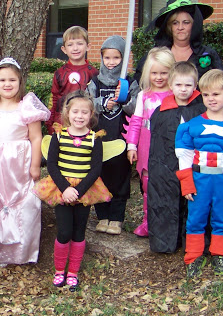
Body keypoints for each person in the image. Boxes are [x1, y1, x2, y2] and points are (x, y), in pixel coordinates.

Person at [175, 69, 223, 278]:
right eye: (206, 94)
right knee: (196, 218)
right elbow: (185, 156)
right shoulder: (191, 126)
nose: (211, 99)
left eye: (216, 94)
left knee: (222, 218)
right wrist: (187, 184)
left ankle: (219, 254)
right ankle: (193, 256)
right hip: (199, 179)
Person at [34, 91, 111, 291]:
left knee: (79, 231)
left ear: (91, 115)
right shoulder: (59, 136)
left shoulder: (95, 138)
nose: (79, 116)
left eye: (84, 112)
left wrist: (79, 190)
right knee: (64, 231)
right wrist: (65, 189)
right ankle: (60, 270)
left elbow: (96, 168)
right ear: (68, 113)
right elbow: (51, 165)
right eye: (75, 111)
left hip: (84, 191)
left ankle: (73, 272)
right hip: (61, 189)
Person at [0, 58, 50, 264]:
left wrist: (35, 164)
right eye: (2, 80)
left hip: (18, 165)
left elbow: (36, 137)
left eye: (12, 80)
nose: (7, 84)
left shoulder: (26, 106)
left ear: (20, 82)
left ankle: (20, 252)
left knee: (22, 203)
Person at [146, 61, 205, 253]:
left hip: (195, 166)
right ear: (171, 85)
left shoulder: (201, 110)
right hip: (165, 164)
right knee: (165, 200)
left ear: (195, 86)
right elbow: (156, 142)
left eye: (188, 85)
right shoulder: (161, 111)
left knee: (193, 202)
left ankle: (194, 244)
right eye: (179, 85)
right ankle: (165, 242)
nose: (183, 89)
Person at [87, 36, 137, 236]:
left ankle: (116, 218)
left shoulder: (129, 82)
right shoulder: (95, 82)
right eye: (107, 57)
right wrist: (102, 103)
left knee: (119, 177)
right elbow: (86, 105)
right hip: (98, 139)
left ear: (123, 59)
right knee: (100, 176)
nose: (111, 62)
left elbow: (137, 109)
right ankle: (103, 216)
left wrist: (124, 99)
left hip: (121, 138)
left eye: (116, 57)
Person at [134, 0, 222, 82]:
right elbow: (138, 83)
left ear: (194, 25)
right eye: (175, 23)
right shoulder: (157, 55)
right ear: (169, 26)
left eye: (186, 22)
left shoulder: (208, 55)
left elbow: (220, 85)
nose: (180, 27)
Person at [126, 47, 175, 236]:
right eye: (155, 73)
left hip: (168, 147)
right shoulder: (143, 95)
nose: (159, 77)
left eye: (164, 72)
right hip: (146, 146)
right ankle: (148, 222)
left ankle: (167, 224)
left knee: (168, 185)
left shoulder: (175, 94)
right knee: (147, 185)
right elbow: (136, 121)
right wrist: (132, 145)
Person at [48, 26, 98, 126]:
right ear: (64, 49)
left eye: (80, 44)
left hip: (84, 123)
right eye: (70, 45)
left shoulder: (93, 73)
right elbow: (54, 99)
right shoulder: (59, 73)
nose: (75, 48)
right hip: (62, 123)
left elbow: (95, 100)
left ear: (88, 46)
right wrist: (50, 123)